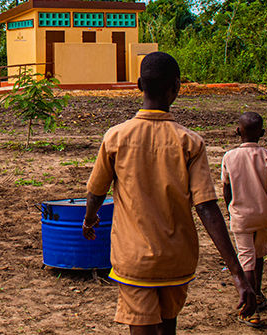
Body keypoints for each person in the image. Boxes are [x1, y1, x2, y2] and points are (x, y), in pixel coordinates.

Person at [82, 52, 256, 335]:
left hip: (134, 260)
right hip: (177, 259)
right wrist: (237, 273)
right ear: (175, 87)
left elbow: (96, 191)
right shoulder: (190, 142)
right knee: (168, 326)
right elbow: (207, 207)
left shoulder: (115, 137)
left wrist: (89, 220)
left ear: (139, 84)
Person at [221, 111, 267, 327]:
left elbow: (227, 190)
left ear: (237, 131)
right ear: (262, 133)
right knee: (259, 255)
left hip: (242, 217)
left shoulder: (229, 157)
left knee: (246, 262)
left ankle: (250, 310)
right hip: (263, 216)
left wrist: (229, 209)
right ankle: (258, 295)